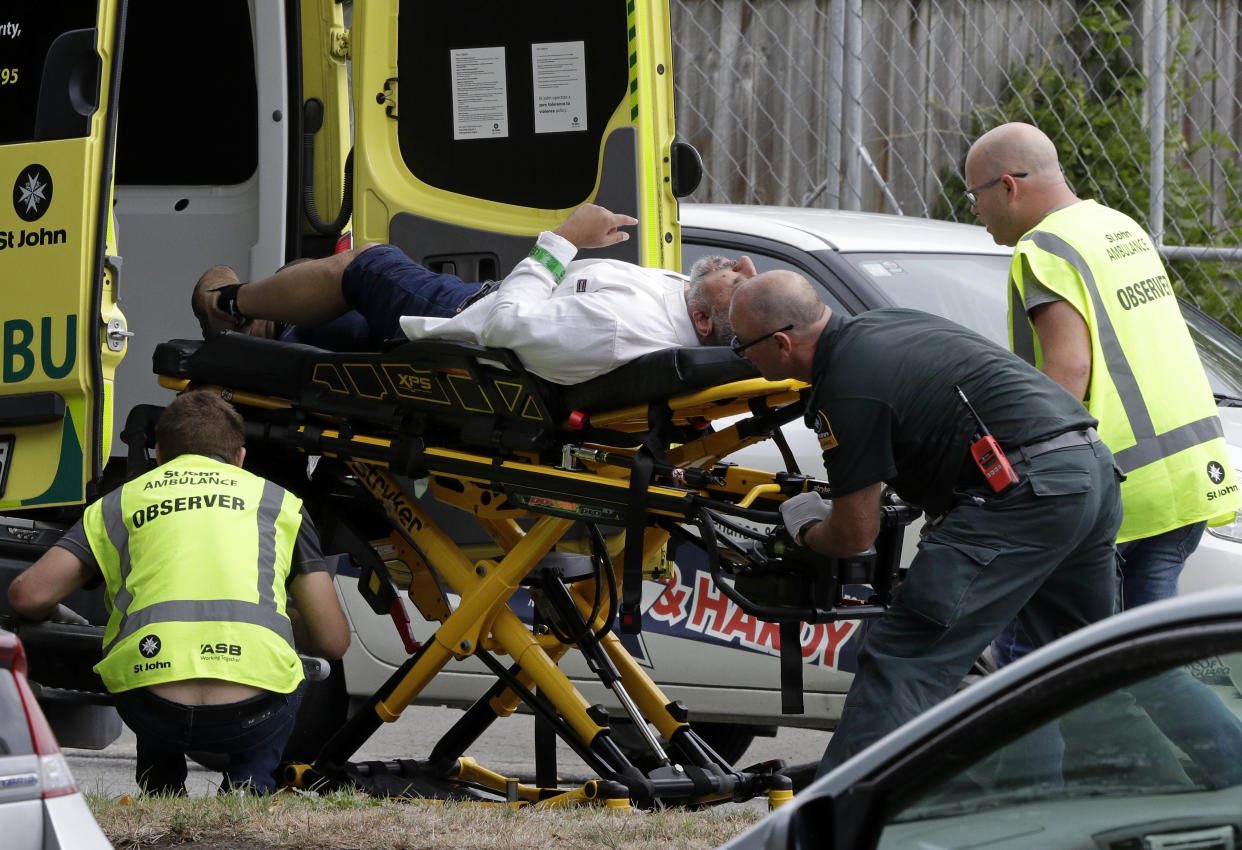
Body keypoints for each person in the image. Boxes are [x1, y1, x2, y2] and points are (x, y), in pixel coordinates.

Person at [729, 270, 1123, 775]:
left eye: (743, 347)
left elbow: (854, 534)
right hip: (1088, 470)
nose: (742, 356)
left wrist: (805, 525)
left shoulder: (846, 388)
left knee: (904, 657)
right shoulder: (888, 325)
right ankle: (1185, 795)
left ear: (781, 343)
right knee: (1094, 665)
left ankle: (840, 816)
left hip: (1024, 494)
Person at [965, 122, 1241, 663]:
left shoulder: (1043, 249)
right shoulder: (1117, 228)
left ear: (1008, 186)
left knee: (1038, 667)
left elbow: (1068, 369)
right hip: (1185, 482)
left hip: (1115, 494)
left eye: (975, 195)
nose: (975, 209)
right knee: (1145, 671)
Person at [7, 391, 350, 795]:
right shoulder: (278, 503)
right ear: (240, 457)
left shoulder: (122, 502)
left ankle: (161, 785)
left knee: (142, 655)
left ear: (158, 454)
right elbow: (332, 641)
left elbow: (27, 597)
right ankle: (249, 785)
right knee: (293, 673)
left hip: (153, 708)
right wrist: (283, 622)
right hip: (252, 714)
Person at [192, 204, 752, 385]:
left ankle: (230, 305)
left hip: (469, 320)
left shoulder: (621, 329)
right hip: (481, 305)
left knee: (366, 263)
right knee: (356, 332)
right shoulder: (688, 305)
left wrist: (564, 241)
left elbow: (504, 327)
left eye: (743, 281)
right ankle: (269, 333)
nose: (739, 263)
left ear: (705, 322)